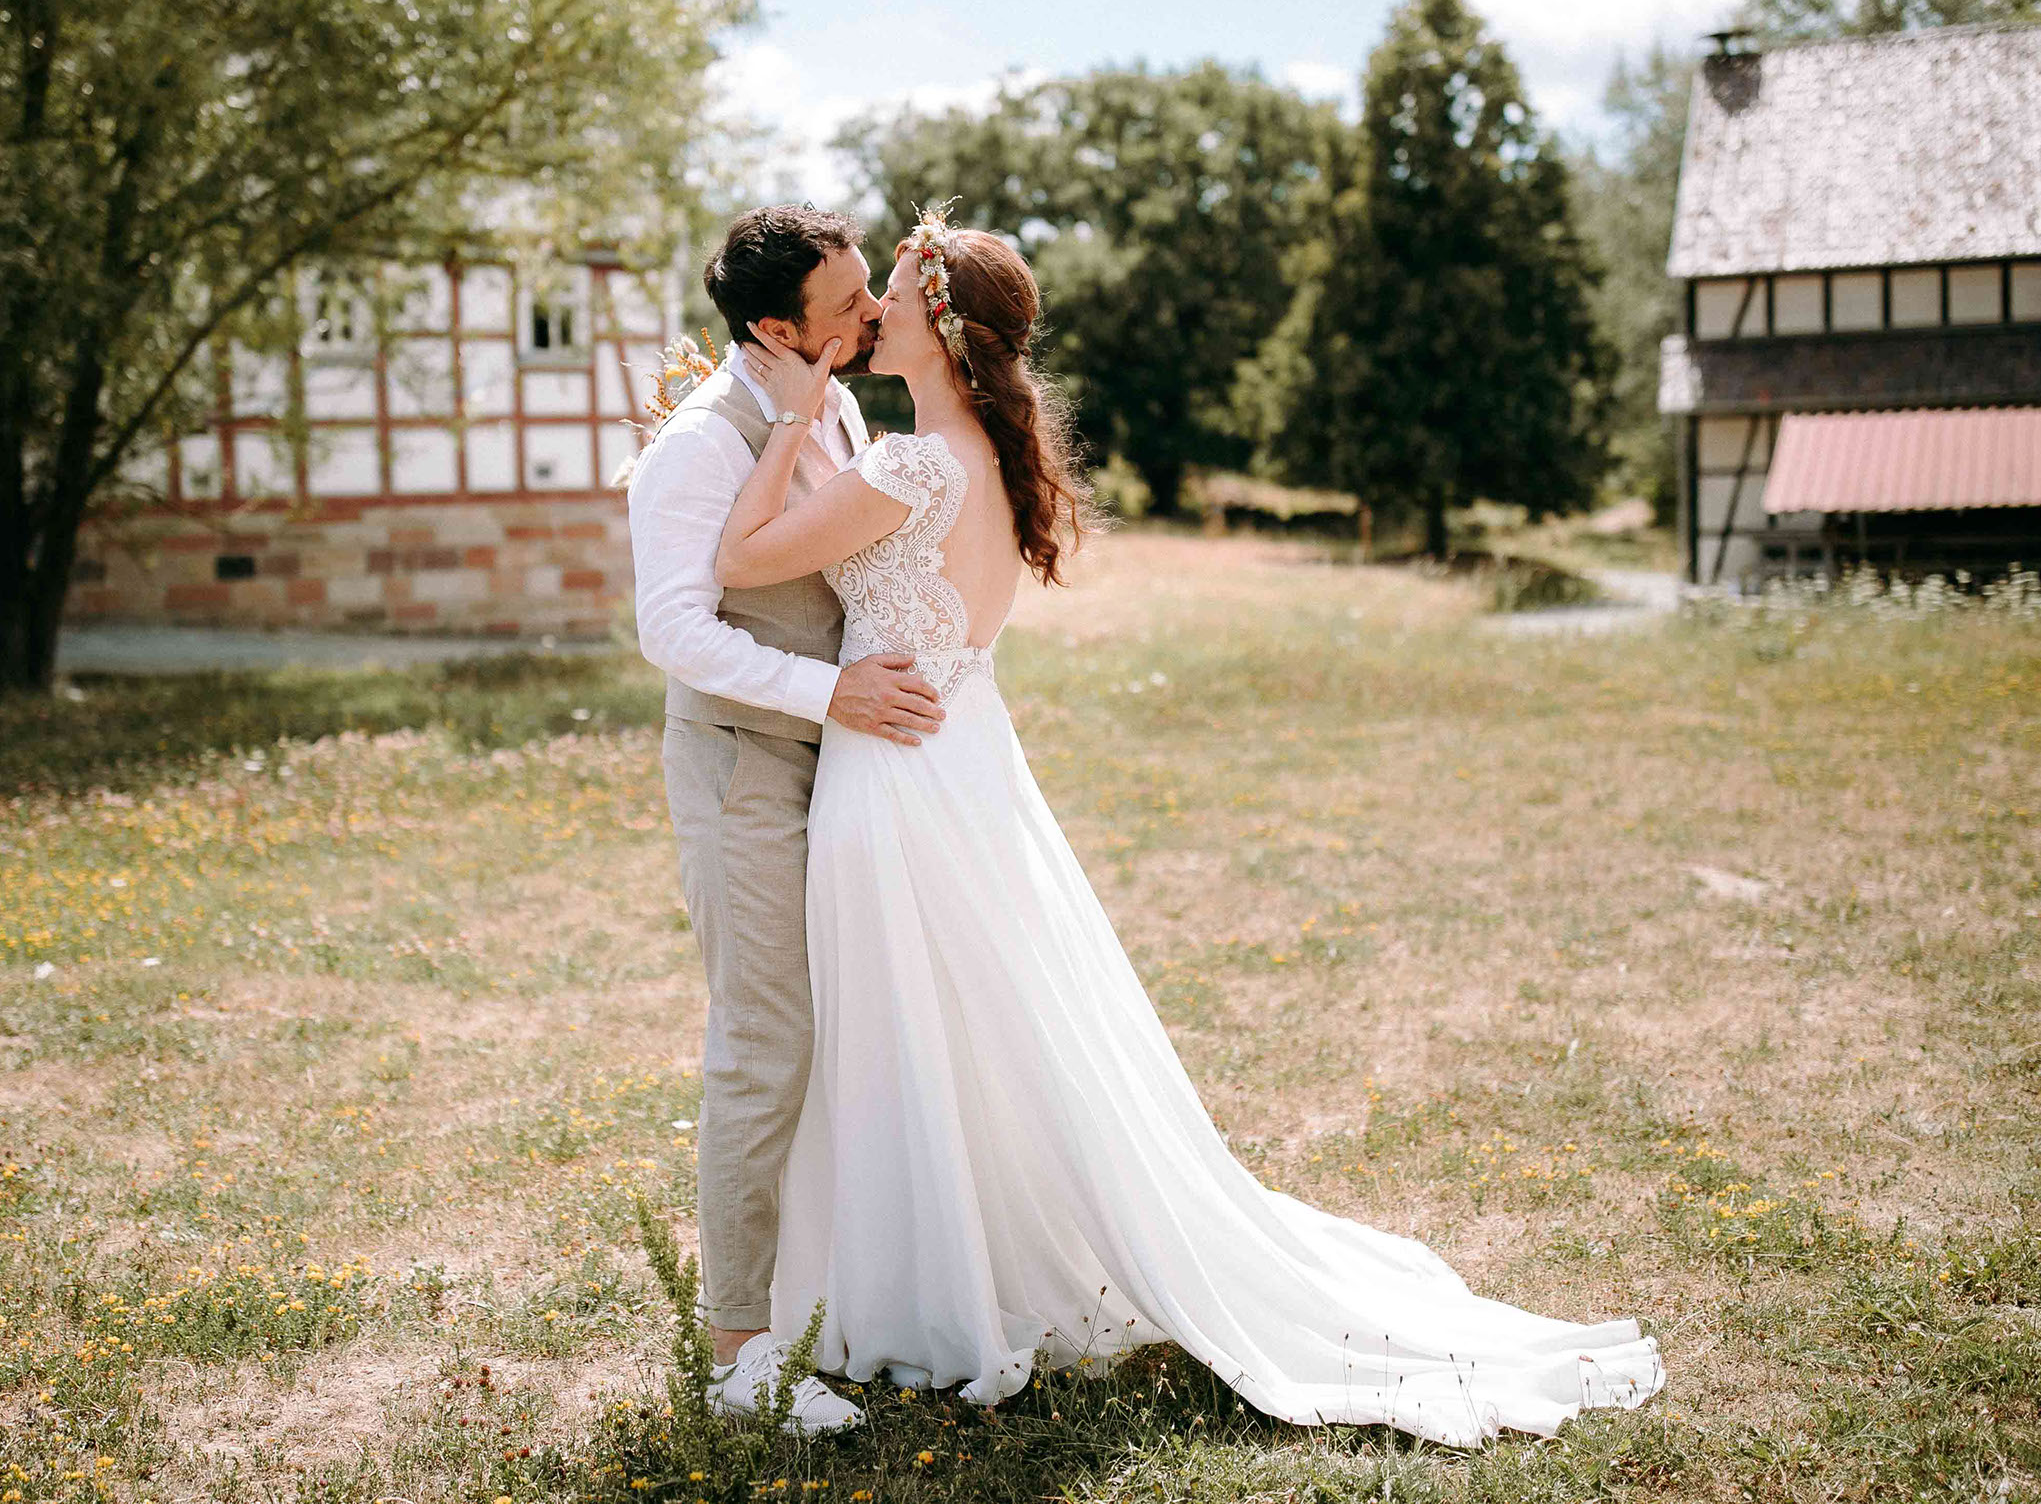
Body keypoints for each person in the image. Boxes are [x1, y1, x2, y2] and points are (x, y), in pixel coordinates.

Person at [711, 209, 1666, 1447]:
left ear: (938, 323)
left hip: (895, 774)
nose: (871, 313)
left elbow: (737, 561)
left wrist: (788, 409)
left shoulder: (909, 467)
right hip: (958, 757)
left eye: (889, 290)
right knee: (972, 1021)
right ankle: (962, 1254)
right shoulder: (980, 456)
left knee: (908, 1018)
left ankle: (929, 1284)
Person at [625, 204, 947, 1434]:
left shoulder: (843, 402)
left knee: (852, 1020)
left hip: (848, 768)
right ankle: (739, 1349)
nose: (873, 314)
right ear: (772, 327)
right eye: (851, 304)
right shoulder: (696, 447)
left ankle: (837, 1282)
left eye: (872, 290)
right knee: (763, 1042)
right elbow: (674, 630)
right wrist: (833, 693)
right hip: (744, 765)